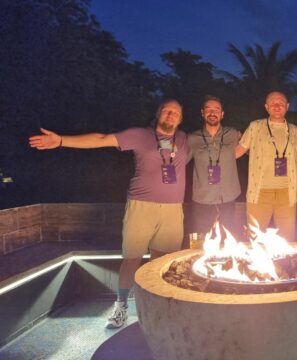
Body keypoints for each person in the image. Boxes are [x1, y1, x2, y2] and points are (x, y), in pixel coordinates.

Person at [28, 99, 187, 329]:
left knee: (162, 263)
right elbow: (102, 139)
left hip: (173, 209)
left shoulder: (183, 140)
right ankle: (121, 306)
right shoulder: (139, 135)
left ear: (181, 119)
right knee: (131, 259)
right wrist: (61, 140)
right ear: (158, 114)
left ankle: (160, 308)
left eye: (176, 112)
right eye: (166, 110)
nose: (171, 114)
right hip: (141, 207)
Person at [235, 91, 297, 241]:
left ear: (287, 106)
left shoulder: (295, 131)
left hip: (287, 194)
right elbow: (237, 152)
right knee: (255, 239)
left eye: (281, 102)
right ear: (266, 106)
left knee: (287, 240)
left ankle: (284, 265)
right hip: (259, 193)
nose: (277, 105)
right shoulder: (255, 127)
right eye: (273, 103)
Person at [187, 96, 241, 239]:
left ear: (222, 114)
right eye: (208, 109)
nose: (212, 113)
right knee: (202, 241)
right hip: (202, 199)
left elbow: (252, 148)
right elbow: (179, 161)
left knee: (228, 240)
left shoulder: (233, 134)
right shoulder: (192, 138)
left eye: (216, 110)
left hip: (228, 197)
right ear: (202, 113)